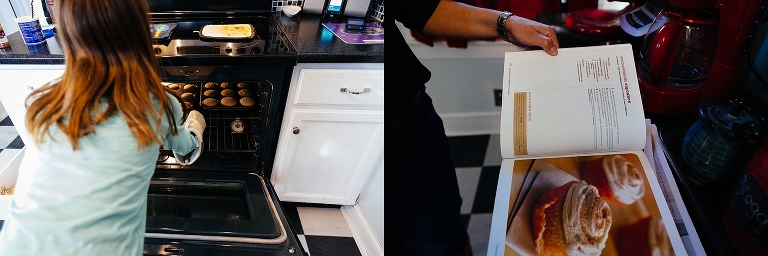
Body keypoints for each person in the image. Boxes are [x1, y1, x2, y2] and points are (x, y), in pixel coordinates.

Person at [0, 0, 205, 254]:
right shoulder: (157, 105)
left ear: (69, 35)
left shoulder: (47, 101)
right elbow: (186, 149)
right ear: (141, 31)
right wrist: (196, 127)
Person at [385, 0, 560, 255]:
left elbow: (421, 7)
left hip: (410, 129)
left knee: (441, 242)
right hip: (346, 146)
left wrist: (508, 24)